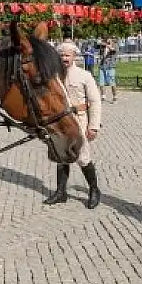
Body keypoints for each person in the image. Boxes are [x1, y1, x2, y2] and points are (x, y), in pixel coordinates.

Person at [46, 42, 103, 208]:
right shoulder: (53, 76)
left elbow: (95, 101)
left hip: (79, 121)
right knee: (60, 156)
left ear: (74, 56)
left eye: (67, 55)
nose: (64, 58)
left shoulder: (84, 76)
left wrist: (93, 126)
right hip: (58, 123)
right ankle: (61, 192)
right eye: (62, 55)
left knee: (83, 157)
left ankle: (94, 189)